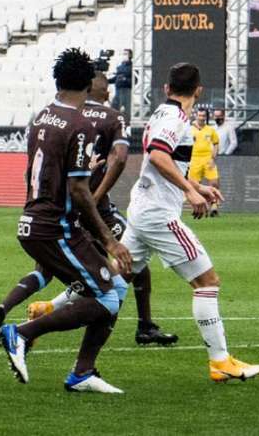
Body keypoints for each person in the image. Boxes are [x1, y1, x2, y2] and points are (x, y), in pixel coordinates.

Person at [0, 48, 133, 394]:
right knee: (108, 298)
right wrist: (109, 241)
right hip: (57, 228)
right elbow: (79, 190)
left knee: (116, 287)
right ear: (87, 83)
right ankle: (21, 334)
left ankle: (83, 372)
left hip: (35, 221)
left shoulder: (42, 116)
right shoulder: (80, 125)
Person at [121, 63, 259, 382]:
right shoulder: (175, 118)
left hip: (144, 206)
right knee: (207, 282)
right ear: (198, 91)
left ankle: (45, 313)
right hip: (158, 213)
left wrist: (197, 187)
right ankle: (220, 362)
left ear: (167, 89)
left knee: (114, 279)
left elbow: (161, 158)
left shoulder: (160, 113)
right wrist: (190, 190)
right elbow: (158, 155)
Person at [22, 73, 178, 346]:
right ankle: (142, 327)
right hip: (95, 208)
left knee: (74, 270)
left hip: (61, 210)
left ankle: (35, 312)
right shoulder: (113, 117)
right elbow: (118, 159)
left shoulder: (62, 117)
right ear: (106, 93)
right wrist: (97, 195)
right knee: (123, 265)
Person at [189, 109, 221, 216]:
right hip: (194, 159)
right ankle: (198, 207)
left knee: (214, 183)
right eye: (199, 115)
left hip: (207, 159)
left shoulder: (210, 130)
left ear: (206, 117)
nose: (201, 118)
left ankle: (214, 206)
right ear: (196, 116)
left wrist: (213, 158)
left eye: (203, 116)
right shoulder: (190, 129)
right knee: (194, 185)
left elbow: (216, 143)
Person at [109, 49, 132, 116]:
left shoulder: (132, 67)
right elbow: (116, 78)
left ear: (130, 55)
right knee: (114, 108)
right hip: (118, 90)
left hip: (126, 90)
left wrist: (125, 79)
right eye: (123, 54)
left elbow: (134, 81)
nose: (124, 55)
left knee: (126, 109)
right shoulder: (120, 67)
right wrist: (107, 80)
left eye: (126, 54)